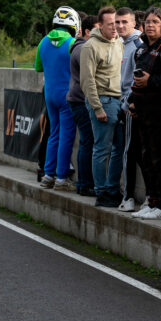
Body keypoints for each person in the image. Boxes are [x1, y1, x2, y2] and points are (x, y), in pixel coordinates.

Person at [128, 6, 161, 220]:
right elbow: (137, 79)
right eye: (147, 22)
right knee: (147, 158)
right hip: (143, 112)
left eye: (155, 22)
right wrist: (132, 100)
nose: (150, 26)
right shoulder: (143, 48)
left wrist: (151, 81)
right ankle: (152, 200)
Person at [80, 6, 125, 207]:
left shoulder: (119, 42)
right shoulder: (90, 47)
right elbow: (87, 80)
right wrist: (97, 107)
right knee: (102, 149)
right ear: (100, 25)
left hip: (119, 101)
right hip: (103, 100)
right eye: (111, 24)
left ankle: (112, 188)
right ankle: (101, 192)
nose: (115, 27)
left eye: (118, 23)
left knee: (120, 148)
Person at [34, 6, 79, 191]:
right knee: (66, 136)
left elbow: (38, 67)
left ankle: (48, 175)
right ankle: (61, 178)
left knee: (53, 134)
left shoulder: (43, 41)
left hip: (50, 94)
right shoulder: (71, 43)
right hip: (67, 95)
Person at [115, 7, 145, 212]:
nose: (120, 26)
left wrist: (127, 104)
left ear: (134, 23)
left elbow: (137, 79)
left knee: (129, 152)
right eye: (117, 22)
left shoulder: (137, 45)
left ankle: (129, 197)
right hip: (123, 104)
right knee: (132, 152)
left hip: (132, 107)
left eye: (125, 22)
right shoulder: (120, 43)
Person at [66, 14, 99, 197]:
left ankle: (83, 183)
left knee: (86, 142)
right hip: (80, 101)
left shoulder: (78, 47)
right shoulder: (82, 49)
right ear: (87, 31)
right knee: (88, 142)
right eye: (97, 29)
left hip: (77, 100)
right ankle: (85, 183)